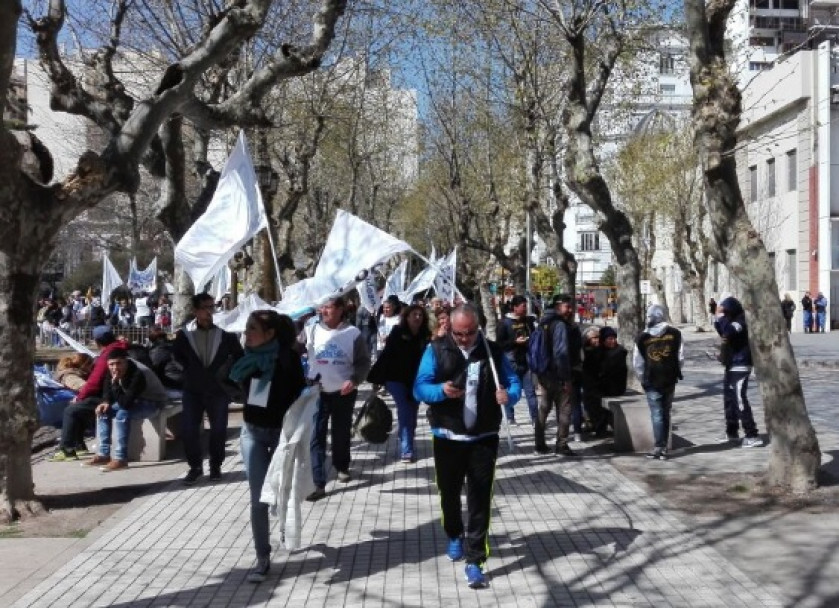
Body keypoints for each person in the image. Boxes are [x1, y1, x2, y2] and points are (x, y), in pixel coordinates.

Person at [413, 304, 520, 589]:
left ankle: (476, 560)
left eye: (470, 333)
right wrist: (441, 391)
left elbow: (513, 382)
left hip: (484, 437)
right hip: (448, 436)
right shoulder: (436, 349)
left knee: (480, 498)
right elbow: (419, 387)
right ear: (451, 328)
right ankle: (453, 534)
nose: (464, 339)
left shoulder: (492, 352)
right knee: (449, 492)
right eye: (459, 334)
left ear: (478, 328)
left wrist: (508, 395)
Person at [230, 311, 306, 584]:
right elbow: (236, 388)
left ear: (270, 333)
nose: (246, 333)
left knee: (282, 493)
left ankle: (287, 531)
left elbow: (300, 396)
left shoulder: (288, 359)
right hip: (252, 433)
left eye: (252, 329)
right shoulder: (246, 359)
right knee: (258, 498)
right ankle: (263, 556)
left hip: (281, 436)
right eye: (246, 329)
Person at [173, 292, 244, 484]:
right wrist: (188, 373)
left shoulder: (226, 335)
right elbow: (175, 360)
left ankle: (216, 466)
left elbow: (239, 358)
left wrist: (228, 375)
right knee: (189, 430)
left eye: (212, 307)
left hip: (218, 391)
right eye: (206, 307)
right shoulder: (184, 336)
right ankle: (195, 466)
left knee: (219, 430)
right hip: (193, 391)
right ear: (196, 311)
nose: (210, 311)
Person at [305, 296, 371, 501]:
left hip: (343, 392)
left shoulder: (353, 334)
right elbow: (298, 351)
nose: (324, 311)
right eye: (322, 307)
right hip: (318, 392)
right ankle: (318, 482)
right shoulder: (312, 330)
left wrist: (354, 380)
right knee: (316, 436)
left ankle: (342, 465)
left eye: (329, 307)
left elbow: (363, 363)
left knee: (340, 433)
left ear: (341, 309)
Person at [48, 327, 128, 462]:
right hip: (119, 393)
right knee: (78, 407)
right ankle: (79, 445)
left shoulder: (107, 355)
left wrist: (79, 397)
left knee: (71, 410)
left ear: (97, 342)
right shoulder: (121, 348)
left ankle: (66, 449)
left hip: (114, 396)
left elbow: (94, 382)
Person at [367, 304, 431, 462]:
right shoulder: (397, 332)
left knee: (413, 411)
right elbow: (387, 356)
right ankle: (406, 450)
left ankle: (407, 438)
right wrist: (377, 379)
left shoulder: (426, 335)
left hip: (416, 380)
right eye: (414, 315)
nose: (417, 318)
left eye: (420, 315)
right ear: (407, 317)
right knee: (404, 410)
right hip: (396, 379)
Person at [91, 348, 167, 471]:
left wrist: (115, 384)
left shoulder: (138, 373)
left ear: (126, 361)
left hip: (153, 402)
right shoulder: (111, 370)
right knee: (103, 411)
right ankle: (103, 454)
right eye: (111, 364)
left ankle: (121, 459)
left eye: (119, 363)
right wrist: (105, 402)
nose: (115, 367)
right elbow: (107, 387)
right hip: (133, 400)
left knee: (122, 414)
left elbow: (125, 403)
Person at [632, 304, 684, 460]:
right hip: (669, 378)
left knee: (657, 413)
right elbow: (680, 357)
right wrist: (673, 371)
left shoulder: (642, 337)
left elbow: (638, 362)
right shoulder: (675, 333)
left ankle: (659, 447)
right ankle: (663, 447)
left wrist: (642, 378)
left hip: (652, 379)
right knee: (665, 411)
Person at [714, 297, 763, 448]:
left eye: (726, 311)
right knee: (729, 399)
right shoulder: (732, 320)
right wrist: (717, 318)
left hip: (741, 364)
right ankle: (732, 432)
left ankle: (752, 434)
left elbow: (728, 332)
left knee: (739, 398)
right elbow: (722, 331)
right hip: (731, 364)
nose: (724, 314)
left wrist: (720, 316)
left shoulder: (740, 321)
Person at [534, 294, 579, 457]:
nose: (570, 309)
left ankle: (539, 444)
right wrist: (566, 379)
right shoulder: (559, 325)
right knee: (565, 410)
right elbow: (561, 353)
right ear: (559, 306)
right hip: (557, 375)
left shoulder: (543, 322)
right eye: (568, 306)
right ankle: (561, 445)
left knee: (544, 409)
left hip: (543, 373)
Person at [495, 294, 539, 426]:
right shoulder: (504, 323)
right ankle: (510, 416)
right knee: (512, 389)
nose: (525, 309)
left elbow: (534, 337)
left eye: (526, 306)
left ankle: (535, 419)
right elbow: (500, 344)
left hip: (527, 360)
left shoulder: (528, 322)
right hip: (511, 362)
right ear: (514, 308)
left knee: (530, 391)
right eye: (523, 306)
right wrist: (514, 342)